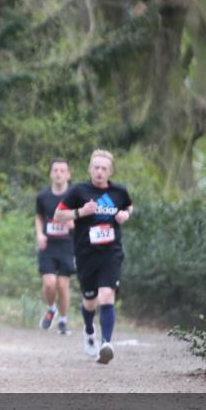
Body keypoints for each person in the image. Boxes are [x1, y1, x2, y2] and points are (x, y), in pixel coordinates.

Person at [53, 149, 133, 364]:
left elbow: (128, 205)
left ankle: (106, 343)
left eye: (103, 168)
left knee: (106, 295)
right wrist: (80, 212)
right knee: (90, 301)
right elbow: (58, 215)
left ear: (110, 171)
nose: (99, 172)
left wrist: (126, 214)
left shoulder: (119, 192)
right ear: (90, 169)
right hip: (85, 253)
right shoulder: (78, 191)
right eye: (95, 168)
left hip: (111, 253)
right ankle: (89, 332)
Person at [35, 159, 75, 336]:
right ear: (51, 174)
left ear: (68, 174)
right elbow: (38, 217)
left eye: (62, 170)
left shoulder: (75, 196)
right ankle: (52, 309)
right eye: (55, 170)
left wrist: (74, 224)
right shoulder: (42, 197)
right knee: (49, 283)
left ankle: (63, 321)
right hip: (48, 244)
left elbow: (83, 217)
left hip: (68, 244)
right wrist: (39, 234)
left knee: (62, 285)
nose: (59, 173)